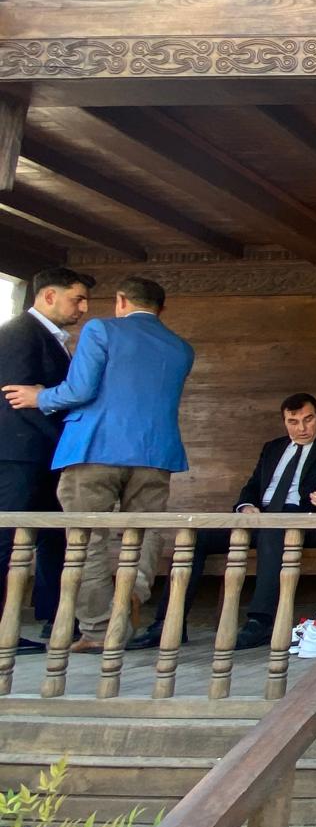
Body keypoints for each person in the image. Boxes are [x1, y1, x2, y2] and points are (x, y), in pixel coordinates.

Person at [3, 277, 193, 653]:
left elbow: (81, 389)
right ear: (161, 309)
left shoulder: (101, 330)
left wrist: (41, 397)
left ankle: (98, 626)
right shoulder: (181, 347)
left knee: (86, 538)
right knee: (144, 533)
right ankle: (134, 594)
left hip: (94, 448)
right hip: (155, 454)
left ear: (121, 301)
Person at [141, 392, 316, 651]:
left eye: (308, 419)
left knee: (273, 531)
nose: (301, 428)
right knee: (195, 537)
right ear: (284, 421)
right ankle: (168, 622)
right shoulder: (273, 448)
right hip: (262, 517)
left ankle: (261, 621)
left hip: (306, 520)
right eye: (293, 422)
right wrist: (245, 506)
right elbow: (253, 487)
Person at [0, 267, 94, 653]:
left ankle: (57, 618)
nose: (83, 308)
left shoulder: (53, 338)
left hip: (42, 457)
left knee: (55, 536)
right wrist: (65, 443)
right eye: (77, 299)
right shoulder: (18, 333)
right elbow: (17, 398)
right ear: (49, 296)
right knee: (6, 540)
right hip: (17, 456)